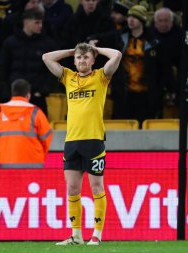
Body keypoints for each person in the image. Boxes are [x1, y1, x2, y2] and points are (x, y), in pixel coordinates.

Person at [42, 43, 122, 245]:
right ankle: (76, 235)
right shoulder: (69, 77)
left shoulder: (101, 77)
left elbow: (117, 55)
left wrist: (98, 49)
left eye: (86, 58)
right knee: (72, 189)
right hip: (72, 141)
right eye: (78, 58)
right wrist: (70, 52)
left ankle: (97, 234)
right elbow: (46, 57)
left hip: (94, 140)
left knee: (96, 187)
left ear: (93, 60)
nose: (82, 61)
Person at [0, 8, 59, 115]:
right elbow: (3, 69)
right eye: (37, 22)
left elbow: (53, 71)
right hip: (14, 97)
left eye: (41, 22)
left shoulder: (48, 44)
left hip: (37, 97)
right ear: (26, 22)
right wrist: (7, 93)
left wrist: (43, 92)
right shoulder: (10, 43)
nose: (40, 25)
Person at [0, 79, 53, 169]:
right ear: (28, 95)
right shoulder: (36, 113)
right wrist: (40, 156)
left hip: (6, 166)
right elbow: (47, 138)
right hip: (33, 166)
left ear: (12, 94)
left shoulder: (1, 114)